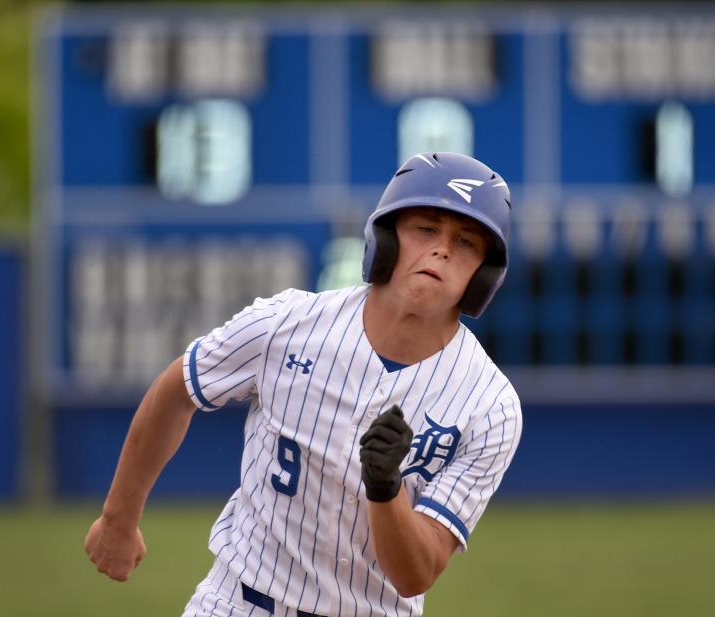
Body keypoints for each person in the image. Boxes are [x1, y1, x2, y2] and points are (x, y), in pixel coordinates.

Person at [85, 152, 523, 617]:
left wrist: (385, 486)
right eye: (426, 229)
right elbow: (177, 392)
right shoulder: (286, 323)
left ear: (483, 276)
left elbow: (416, 573)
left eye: (466, 242)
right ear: (387, 238)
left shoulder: (490, 406)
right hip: (238, 602)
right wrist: (118, 518)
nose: (441, 250)